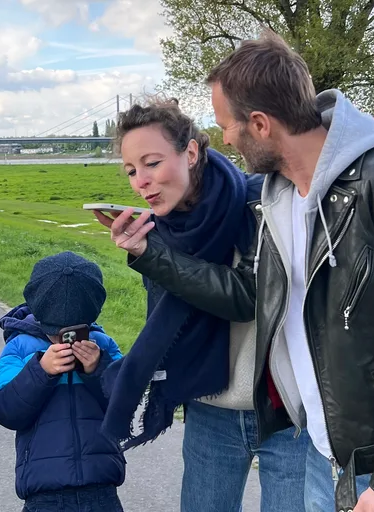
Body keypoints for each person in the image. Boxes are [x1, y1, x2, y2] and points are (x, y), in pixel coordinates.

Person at [99, 30, 374, 512]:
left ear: (259, 124)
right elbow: (250, 292)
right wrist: (151, 254)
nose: (222, 139)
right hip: (325, 456)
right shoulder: (276, 199)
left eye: (227, 126)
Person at [93, 97, 308, 512]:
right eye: (132, 170)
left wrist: (151, 256)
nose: (141, 181)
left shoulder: (258, 204)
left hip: (285, 411)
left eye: (152, 163)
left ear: (190, 152)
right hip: (210, 409)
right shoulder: (164, 226)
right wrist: (147, 250)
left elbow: (247, 297)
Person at [0, 251, 126, 512]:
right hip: (44, 494)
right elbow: (6, 412)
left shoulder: (103, 346)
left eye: (75, 331)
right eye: (56, 333)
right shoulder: (20, 347)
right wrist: (41, 372)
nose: (64, 342)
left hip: (102, 489)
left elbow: (125, 406)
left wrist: (97, 370)